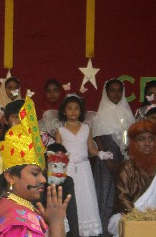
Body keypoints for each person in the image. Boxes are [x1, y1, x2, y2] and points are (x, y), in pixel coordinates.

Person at [0, 95, 69, 237]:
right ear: (10, 176)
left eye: (42, 173)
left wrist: (54, 221)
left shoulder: (12, 205)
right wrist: (56, 223)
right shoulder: (17, 223)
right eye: (35, 173)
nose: (43, 179)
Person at [107, 120, 156, 237]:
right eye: (141, 139)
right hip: (128, 217)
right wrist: (140, 219)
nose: (147, 143)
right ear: (134, 143)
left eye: (151, 139)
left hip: (154, 219)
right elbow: (122, 198)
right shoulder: (126, 167)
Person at [54, 94, 105, 237]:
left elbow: (91, 149)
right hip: (68, 169)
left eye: (76, 108)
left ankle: (86, 229)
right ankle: (68, 228)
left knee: (85, 196)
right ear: (64, 111)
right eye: (69, 108)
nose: (73, 111)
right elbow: (58, 152)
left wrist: (101, 153)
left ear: (81, 111)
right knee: (69, 196)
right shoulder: (60, 130)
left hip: (83, 168)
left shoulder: (86, 128)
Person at [92, 78, 134, 235]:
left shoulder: (126, 112)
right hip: (106, 157)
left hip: (124, 158)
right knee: (106, 192)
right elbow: (97, 137)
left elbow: (131, 137)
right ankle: (102, 231)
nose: (116, 94)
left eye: (119, 90)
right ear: (106, 92)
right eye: (112, 90)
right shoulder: (102, 113)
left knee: (121, 192)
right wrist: (107, 159)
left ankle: (119, 231)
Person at [42, 143, 79, 237]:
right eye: (55, 165)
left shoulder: (68, 181)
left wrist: (75, 234)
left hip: (60, 227)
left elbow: (72, 211)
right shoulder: (40, 180)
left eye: (63, 166)